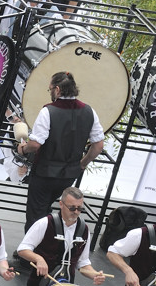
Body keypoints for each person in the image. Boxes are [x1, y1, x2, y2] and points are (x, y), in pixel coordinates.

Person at [17, 71, 103, 232]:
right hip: (69, 175)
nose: (50, 92)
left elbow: (35, 144)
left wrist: (23, 149)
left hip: (44, 173)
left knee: (36, 214)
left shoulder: (48, 111)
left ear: (57, 89)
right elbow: (98, 146)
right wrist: (83, 163)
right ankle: (45, 248)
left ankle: (30, 252)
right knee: (49, 211)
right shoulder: (89, 111)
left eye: (50, 89)